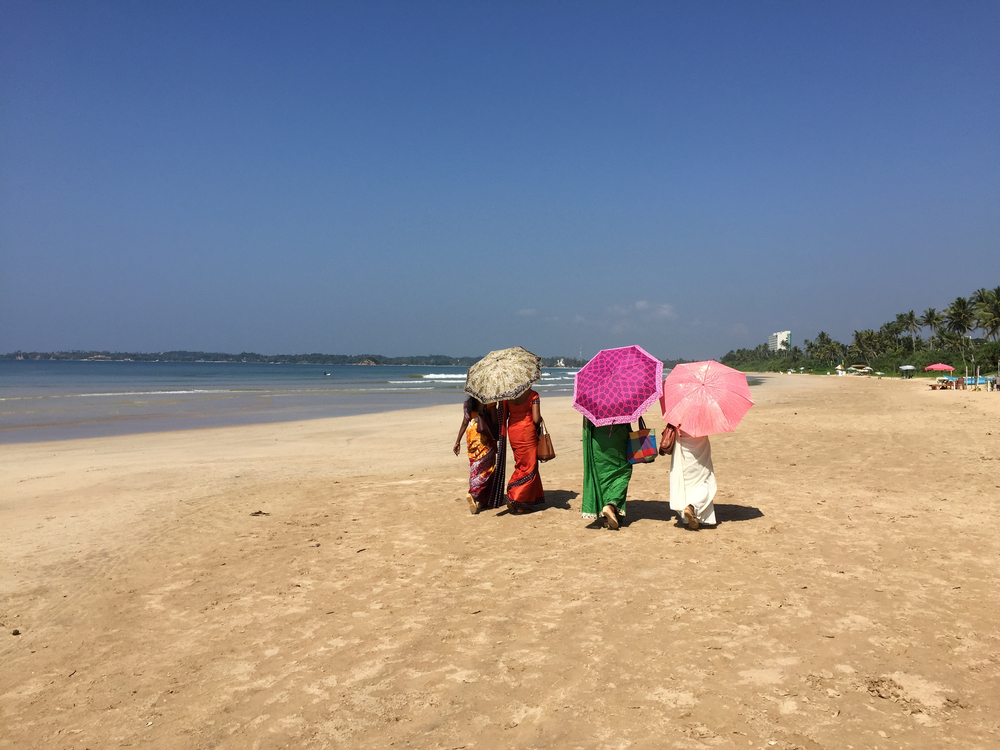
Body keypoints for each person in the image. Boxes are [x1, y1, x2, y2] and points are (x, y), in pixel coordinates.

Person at [659, 423, 717, 529]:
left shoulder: (679, 411)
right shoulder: (704, 412)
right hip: (700, 444)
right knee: (706, 480)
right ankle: (693, 506)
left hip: (682, 447)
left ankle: (689, 509)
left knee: (687, 481)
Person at [581, 418, 632, 530]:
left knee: (602, 475)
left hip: (597, 439)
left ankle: (606, 516)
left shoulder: (592, 401)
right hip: (618, 437)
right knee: (624, 471)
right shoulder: (622, 399)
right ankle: (611, 505)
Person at [501, 388, 545, 514]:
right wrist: (540, 418)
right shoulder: (533, 395)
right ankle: (516, 497)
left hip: (514, 431)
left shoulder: (507, 395)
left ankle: (529, 499)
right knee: (529, 466)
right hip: (527, 432)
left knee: (521, 463)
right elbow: (536, 419)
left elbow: (504, 415)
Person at [453, 397, 499, 514]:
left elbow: (464, 422)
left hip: (471, 434)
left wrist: (457, 441)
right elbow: (494, 421)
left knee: (476, 466)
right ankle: (473, 493)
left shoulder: (468, 404)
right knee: (488, 468)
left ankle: (483, 500)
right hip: (484, 434)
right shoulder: (490, 402)